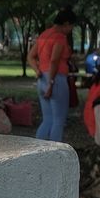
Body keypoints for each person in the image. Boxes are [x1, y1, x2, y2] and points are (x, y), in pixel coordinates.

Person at [26, 7, 77, 142]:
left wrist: (37, 71)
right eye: (71, 26)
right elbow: (54, 60)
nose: (71, 29)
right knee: (59, 120)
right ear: (66, 24)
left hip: (42, 79)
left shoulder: (44, 35)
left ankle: (36, 151)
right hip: (56, 79)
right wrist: (51, 83)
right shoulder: (60, 37)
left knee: (47, 120)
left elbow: (30, 56)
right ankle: (55, 154)